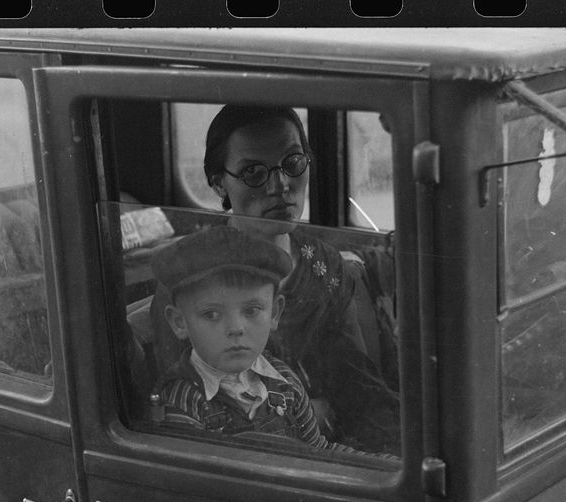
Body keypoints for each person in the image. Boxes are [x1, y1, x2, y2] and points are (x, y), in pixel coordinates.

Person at [150, 104, 400, 454]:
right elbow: (189, 415)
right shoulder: (188, 280)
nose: (281, 185)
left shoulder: (323, 266)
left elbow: (358, 383)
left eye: (293, 163)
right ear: (220, 183)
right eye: (253, 172)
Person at [150, 225, 366, 454]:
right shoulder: (183, 403)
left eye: (252, 311)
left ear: (274, 313)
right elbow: (198, 481)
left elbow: (318, 452)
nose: (235, 329)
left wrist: (379, 468)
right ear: (179, 322)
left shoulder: (285, 382)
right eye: (211, 314)